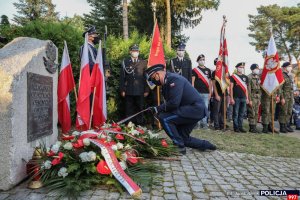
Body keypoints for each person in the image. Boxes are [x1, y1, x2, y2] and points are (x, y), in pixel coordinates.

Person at [145, 64, 217, 154]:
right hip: (191, 110)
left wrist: (157, 109)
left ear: (157, 74)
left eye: (152, 78)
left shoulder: (174, 80)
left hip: (195, 109)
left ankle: (179, 147)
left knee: (164, 118)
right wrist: (156, 109)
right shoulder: (166, 83)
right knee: (183, 138)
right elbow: (170, 103)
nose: (153, 81)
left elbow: (174, 103)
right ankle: (206, 145)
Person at [119, 44, 149, 125]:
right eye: (134, 51)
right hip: (129, 90)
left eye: (137, 51)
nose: (135, 52)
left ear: (139, 52)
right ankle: (129, 125)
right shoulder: (125, 62)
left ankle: (140, 126)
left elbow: (146, 77)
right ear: (130, 52)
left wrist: (146, 90)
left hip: (140, 90)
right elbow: (122, 77)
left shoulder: (143, 62)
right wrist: (122, 89)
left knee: (140, 108)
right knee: (129, 108)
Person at [192, 54, 212, 129]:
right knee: (197, 108)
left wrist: (210, 93)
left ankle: (204, 124)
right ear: (198, 61)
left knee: (205, 109)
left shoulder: (208, 70)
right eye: (201, 60)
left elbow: (210, 83)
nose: (202, 61)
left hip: (206, 93)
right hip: (197, 93)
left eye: (203, 59)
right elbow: (192, 82)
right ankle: (197, 124)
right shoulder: (194, 70)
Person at [230, 62, 249, 133]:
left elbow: (246, 89)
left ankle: (240, 127)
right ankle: (236, 127)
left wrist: (247, 98)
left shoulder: (245, 77)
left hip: (243, 98)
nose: (241, 68)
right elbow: (231, 88)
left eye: (242, 67)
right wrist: (231, 98)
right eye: (240, 67)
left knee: (241, 113)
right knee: (236, 113)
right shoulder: (233, 77)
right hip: (236, 97)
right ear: (237, 68)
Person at [278, 62, 294, 133]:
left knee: (289, 112)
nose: (290, 67)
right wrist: (282, 98)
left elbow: (291, 87)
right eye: (289, 66)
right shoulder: (281, 75)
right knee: (283, 112)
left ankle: (286, 125)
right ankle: (282, 127)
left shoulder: (289, 76)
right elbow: (280, 88)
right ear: (284, 67)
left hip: (290, 96)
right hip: (284, 96)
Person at [211, 58, 227, 130]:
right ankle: (216, 126)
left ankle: (222, 125)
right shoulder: (214, 72)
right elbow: (213, 85)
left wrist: (227, 94)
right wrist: (216, 95)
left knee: (223, 111)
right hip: (217, 94)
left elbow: (228, 84)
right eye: (217, 64)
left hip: (224, 94)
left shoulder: (225, 72)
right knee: (216, 111)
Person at [247, 64, 261, 133]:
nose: (257, 70)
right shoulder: (249, 77)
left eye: (258, 68)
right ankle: (251, 127)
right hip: (252, 95)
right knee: (251, 112)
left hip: (258, 96)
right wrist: (249, 99)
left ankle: (254, 126)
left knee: (256, 112)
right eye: (256, 68)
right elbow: (248, 89)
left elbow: (260, 88)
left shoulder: (258, 77)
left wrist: (260, 99)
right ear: (252, 69)